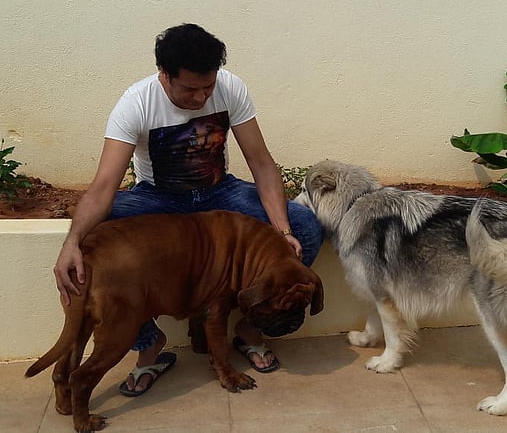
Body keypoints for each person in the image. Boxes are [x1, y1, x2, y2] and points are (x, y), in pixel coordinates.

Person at [52, 23, 323, 397]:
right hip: (158, 199)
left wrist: (282, 230)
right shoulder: (137, 103)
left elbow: (261, 163)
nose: (202, 97)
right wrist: (72, 242)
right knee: (98, 239)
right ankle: (148, 343)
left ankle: (251, 324)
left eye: (208, 87)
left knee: (304, 225)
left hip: (219, 192)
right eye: (190, 89)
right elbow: (103, 187)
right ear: (164, 75)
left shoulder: (230, 87)